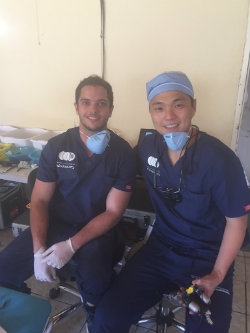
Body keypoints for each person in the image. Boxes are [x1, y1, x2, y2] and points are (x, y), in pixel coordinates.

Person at [91, 71, 250, 333]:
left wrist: (218, 274)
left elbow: (237, 222)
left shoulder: (220, 159)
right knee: (108, 317)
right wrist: (105, 139)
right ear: (151, 113)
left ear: (193, 107)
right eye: (159, 107)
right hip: (160, 251)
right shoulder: (148, 147)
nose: (169, 116)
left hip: (208, 256)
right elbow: (119, 169)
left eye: (178, 105)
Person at [0, 75, 136, 332]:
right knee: (3, 271)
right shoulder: (57, 146)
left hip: (99, 233)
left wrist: (72, 245)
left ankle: (94, 312)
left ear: (111, 109)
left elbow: (114, 211)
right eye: (86, 102)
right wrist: (39, 251)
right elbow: (39, 200)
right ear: (76, 107)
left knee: (95, 277)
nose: (93, 110)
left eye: (101, 103)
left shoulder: (123, 153)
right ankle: (24, 312)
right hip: (55, 226)